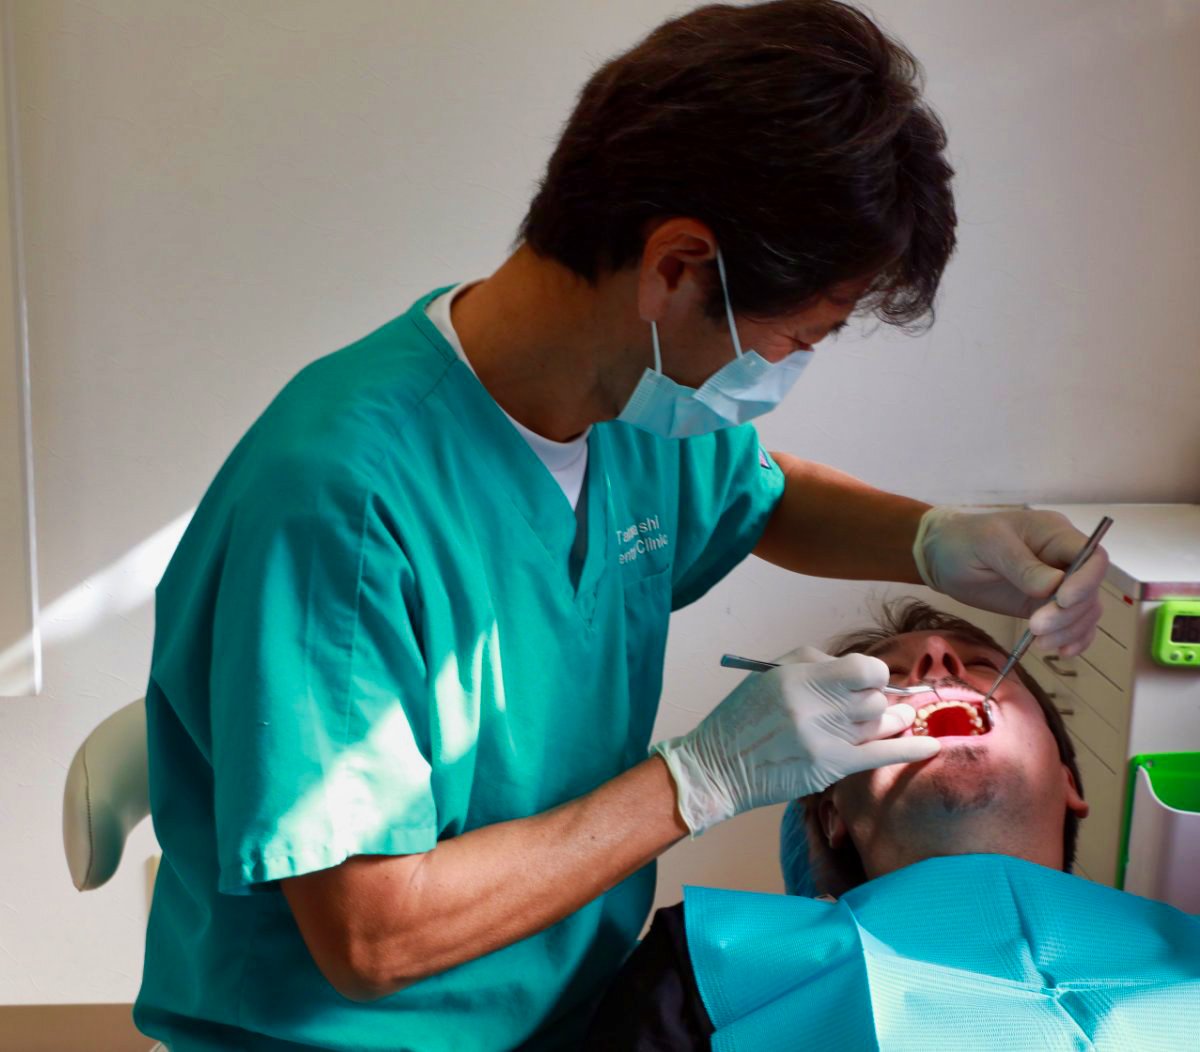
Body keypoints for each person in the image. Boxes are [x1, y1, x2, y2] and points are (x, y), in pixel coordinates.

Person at [133, 4, 1111, 1051]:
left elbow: (760, 494)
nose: (790, 370)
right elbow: (371, 939)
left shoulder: (630, 404)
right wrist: (700, 780)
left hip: (571, 1011)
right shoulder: (342, 507)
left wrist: (934, 539)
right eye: (799, 337)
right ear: (678, 268)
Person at [584, 601, 1200, 1051]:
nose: (936, 658)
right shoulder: (705, 968)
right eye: (883, 686)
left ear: (1068, 781)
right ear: (833, 814)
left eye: (983, 665)